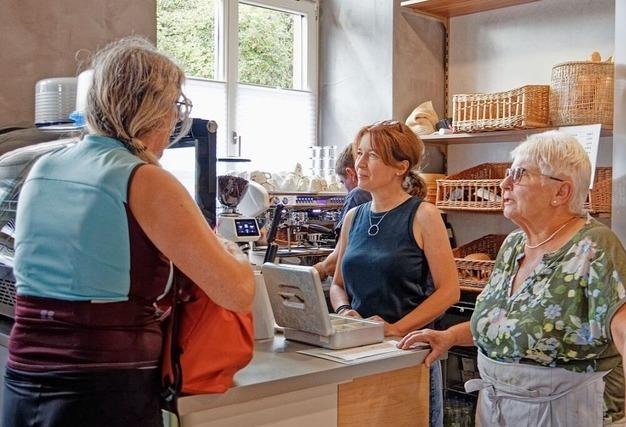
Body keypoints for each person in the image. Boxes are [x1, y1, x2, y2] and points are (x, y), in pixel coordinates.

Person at [2, 37, 254, 427]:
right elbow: (236, 292)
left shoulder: (45, 167)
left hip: (23, 379)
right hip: (102, 389)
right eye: (174, 105)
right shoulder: (144, 178)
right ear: (156, 111)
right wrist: (231, 250)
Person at [399, 131, 626, 427]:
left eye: (519, 174)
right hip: (497, 409)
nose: (504, 183)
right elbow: (508, 324)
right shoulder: (514, 244)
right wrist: (449, 337)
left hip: (564, 412)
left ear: (561, 193)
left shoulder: (593, 246)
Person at [330, 120, 460, 427]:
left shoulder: (423, 215)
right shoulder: (354, 217)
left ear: (400, 166)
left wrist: (397, 329)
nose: (359, 163)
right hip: (359, 353)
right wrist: (345, 311)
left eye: (371, 156)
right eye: (358, 154)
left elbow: (448, 291)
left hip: (408, 355)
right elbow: (337, 284)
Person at [313, 143, 371, 281]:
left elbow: (336, 263)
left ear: (351, 174)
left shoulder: (357, 195)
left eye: (342, 182)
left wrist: (316, 270)